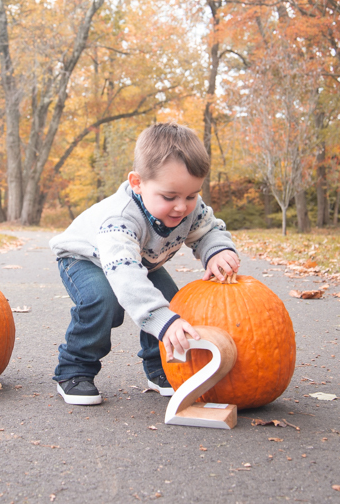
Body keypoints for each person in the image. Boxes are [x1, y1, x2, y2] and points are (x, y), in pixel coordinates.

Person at [49, 122, 240, 405]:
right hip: (84, 259)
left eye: (191, 195)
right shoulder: (121, 219)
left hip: (138, 261)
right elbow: (126, 276)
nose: (181, 207)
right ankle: (74, 369)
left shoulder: (189, 207)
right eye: (169, 196)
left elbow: (207, 230)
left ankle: (161, 368)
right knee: (102, 301)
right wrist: (161, 321)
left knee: (172, 303)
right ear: (138, 183)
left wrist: (216, 250)